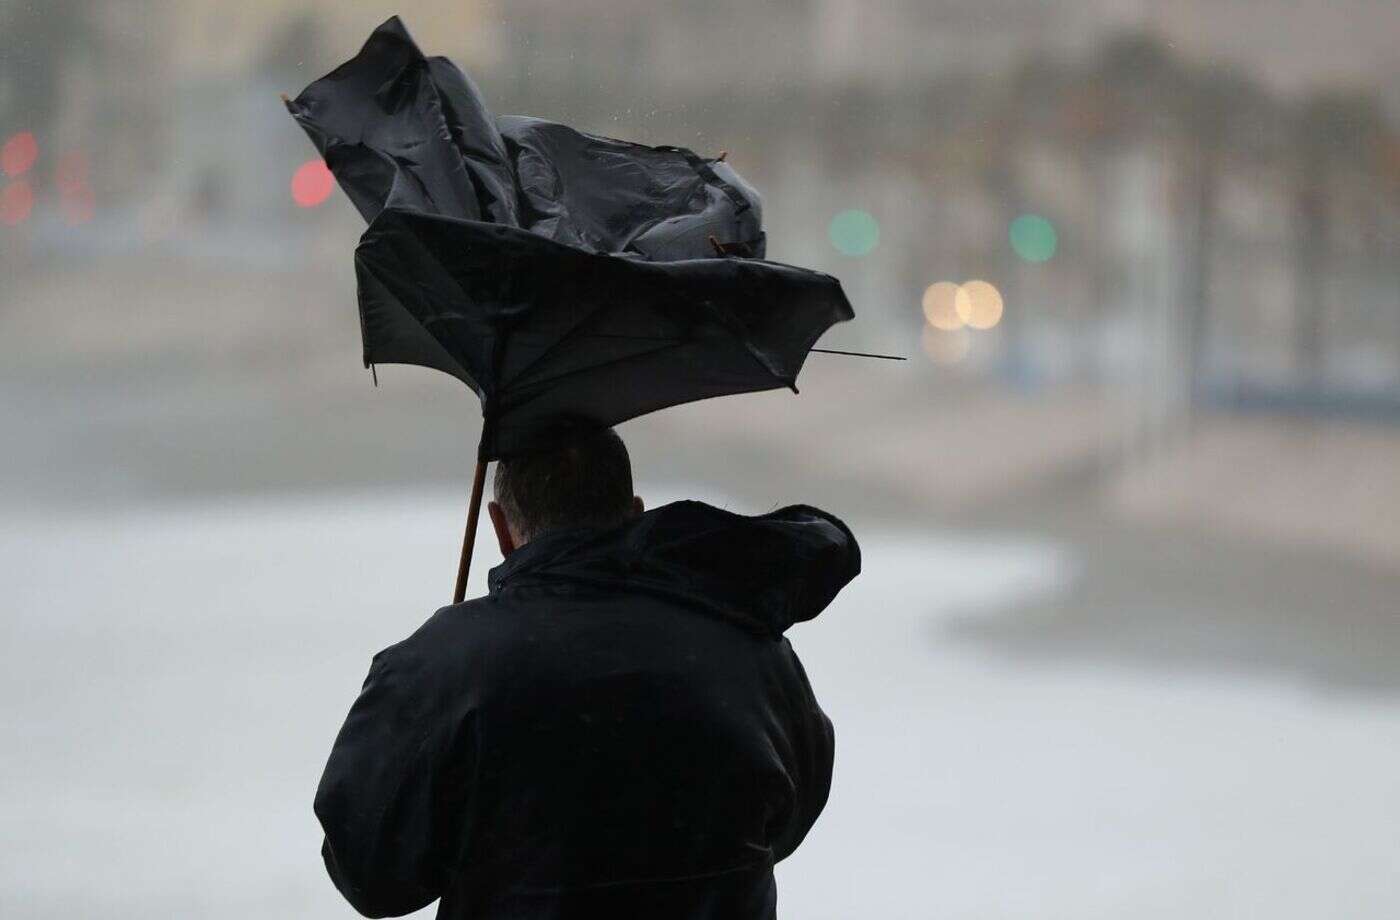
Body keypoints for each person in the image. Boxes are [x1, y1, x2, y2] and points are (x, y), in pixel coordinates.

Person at [314, 427, 859, 919]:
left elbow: (370, 875)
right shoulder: (752, 648)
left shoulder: (443, 665)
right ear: (637, 510)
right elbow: (788, 818)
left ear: (501, 529)